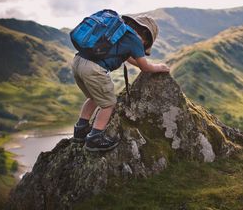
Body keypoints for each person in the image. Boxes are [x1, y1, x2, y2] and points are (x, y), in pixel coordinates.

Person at [71, 14, 170, 152]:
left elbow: (129, 59)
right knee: (109, 104)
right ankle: (95, 138)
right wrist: (160, 67)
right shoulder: (135, 40)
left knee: (93, 97)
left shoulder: (120, 32)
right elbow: (145, 67)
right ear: (146, 36)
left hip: (77, 62)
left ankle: (80, 130)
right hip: (94, 69)